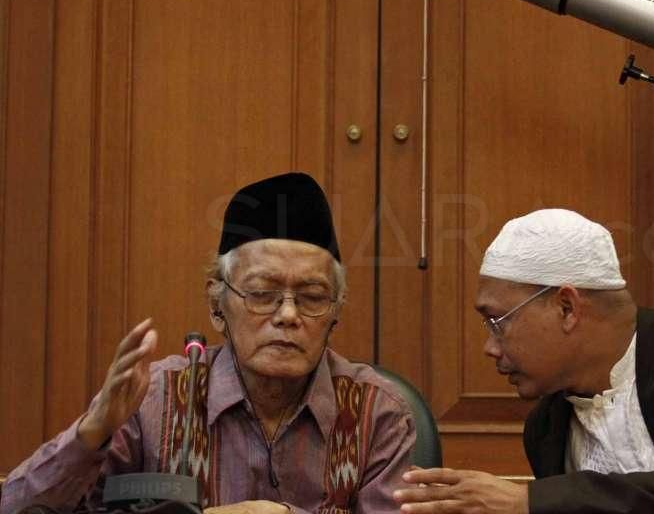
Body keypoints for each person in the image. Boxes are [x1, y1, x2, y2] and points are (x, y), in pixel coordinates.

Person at [1, 173, 416, 514]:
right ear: (217, 307)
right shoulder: (154, 399)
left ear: (334, 315)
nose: (288, 315)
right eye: (262, 293)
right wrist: (93, 431)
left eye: (311, 297)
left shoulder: (376, 412)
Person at [394, 208, 654, 514]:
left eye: (498, 322)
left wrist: (530, 501)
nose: (489, 348)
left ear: (567, 307)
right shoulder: (545, 429)